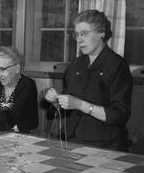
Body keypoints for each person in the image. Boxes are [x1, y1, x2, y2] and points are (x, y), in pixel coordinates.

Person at [45, 9, 133, 151]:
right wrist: (56, 101)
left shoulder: (118, 65)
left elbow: (120, 115)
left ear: (101, 33)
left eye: (84, 34)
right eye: (77, 34)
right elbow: (67, 105)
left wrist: (80, 105)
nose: (79, 40)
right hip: (71, 140)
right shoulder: (76, 65)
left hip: (105, 144)